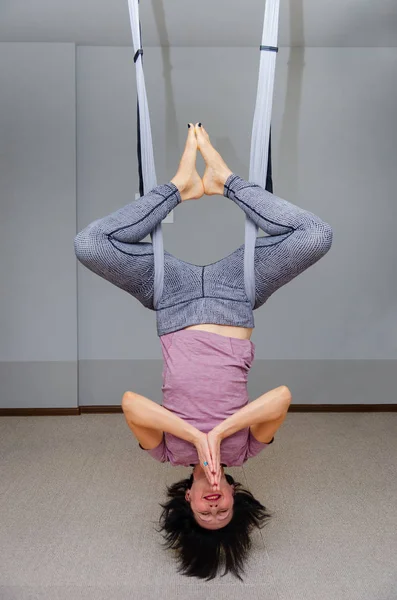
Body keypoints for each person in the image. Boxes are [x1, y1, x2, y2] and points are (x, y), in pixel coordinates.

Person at [74, 123, 333, 579]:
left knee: (89, 245)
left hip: (171, 299)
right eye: (223, 512)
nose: (214, 507)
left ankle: (179, 186)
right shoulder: (247, 449)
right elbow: (282, 396)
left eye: (205, 514)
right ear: (234, 495)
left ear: (187, 500)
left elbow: (132, 404)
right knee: (315, 236)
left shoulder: (168, 452)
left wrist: (196, 438)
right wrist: (219, 436)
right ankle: (224, 180)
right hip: (235, 297)